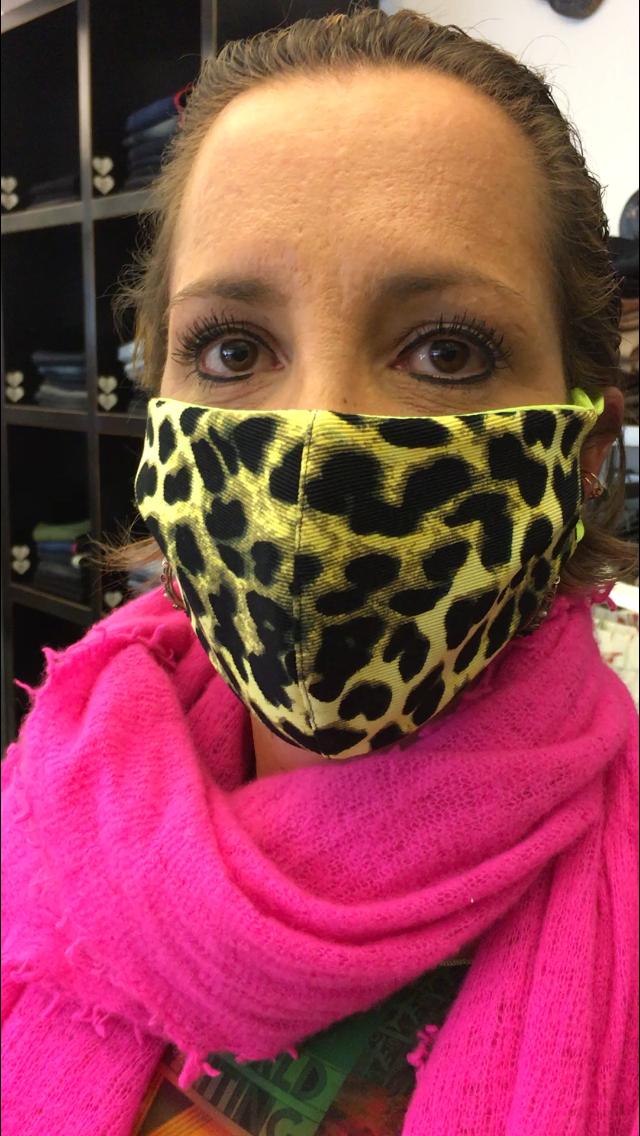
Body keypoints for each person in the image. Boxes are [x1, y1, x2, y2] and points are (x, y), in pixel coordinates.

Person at [2, 7, 638, 1135]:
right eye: (233, 349)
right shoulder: (45, 799)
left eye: (446, 351)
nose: (317, 441)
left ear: (585, 451)